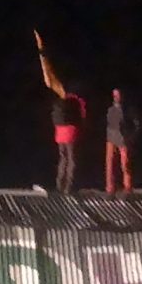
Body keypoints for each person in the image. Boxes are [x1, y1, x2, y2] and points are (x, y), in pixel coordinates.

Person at [37, 32, 88, 194]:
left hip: (65, 129)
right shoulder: (72, 96)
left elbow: (49, 77)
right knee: (68, 158)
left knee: (66, 158)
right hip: (67, 129)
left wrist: (42, 52)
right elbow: (49, 77)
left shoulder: (66, 95)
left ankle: (65, 187)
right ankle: (65, 187)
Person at [104, 89, 138, 193]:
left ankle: (127, 187)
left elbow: (136, 123)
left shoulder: (127, 110)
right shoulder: (110, 109)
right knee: (110, 164)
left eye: (118, 95)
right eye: (114, 95)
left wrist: (131, 136)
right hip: (111, 139)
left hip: (123, 139)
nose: (116, 97)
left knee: (125, 164)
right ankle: (110, 188)